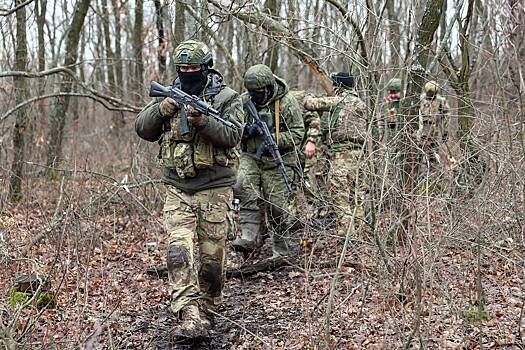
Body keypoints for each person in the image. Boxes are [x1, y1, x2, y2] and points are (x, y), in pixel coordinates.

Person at [135, 39, 244, 339]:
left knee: (212, 263)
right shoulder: (169, 95)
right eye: (183, 69)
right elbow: (143, 128)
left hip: (215, 188)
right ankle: (189, 312)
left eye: (194, 68)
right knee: (178, 252)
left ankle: (207, 308)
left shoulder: (227, 98)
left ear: (206, 68)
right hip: (178, 188)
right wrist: (162, 109)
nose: (188, 73)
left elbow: (234, 135)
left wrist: (203, 120)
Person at [231, 64, 304, 258]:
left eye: (259, 91)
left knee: (277, 206)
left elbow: (298, 133)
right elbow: (232, 129)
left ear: (269, 87)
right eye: (251, 91)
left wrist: (274, 139)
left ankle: (281, 249)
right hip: (251, 156)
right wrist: (247, 130)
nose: (255, 95)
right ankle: (248, 236)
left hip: (278, 160)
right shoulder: (244, 101)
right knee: (243, 186)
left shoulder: (287, 102)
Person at [304, 72, 367, 236]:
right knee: (357, 196)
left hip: (342, 155)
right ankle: (359, 233)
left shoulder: (339, 100)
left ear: (338, 86)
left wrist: (309, 95)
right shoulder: (361, 104)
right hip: (360, 155)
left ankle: (347, 232)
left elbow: (309, 103)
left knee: (339, 193)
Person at [417, 80, 450, 170]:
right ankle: (416, 172)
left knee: (433, 153)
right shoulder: (420, 99)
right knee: (418, 152)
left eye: (433, 94)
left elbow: (446, 116)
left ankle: (433, 172)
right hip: (421, 129)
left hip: (433, 130)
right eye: (429, 93)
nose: (430, 96)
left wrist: (445, 132)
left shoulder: (440, 101)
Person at [383, 78, 402, 144]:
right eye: (391, 92)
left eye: (395, 92)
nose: (393, 95)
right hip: (390, 140)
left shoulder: (406, 101)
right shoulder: (387, 103)